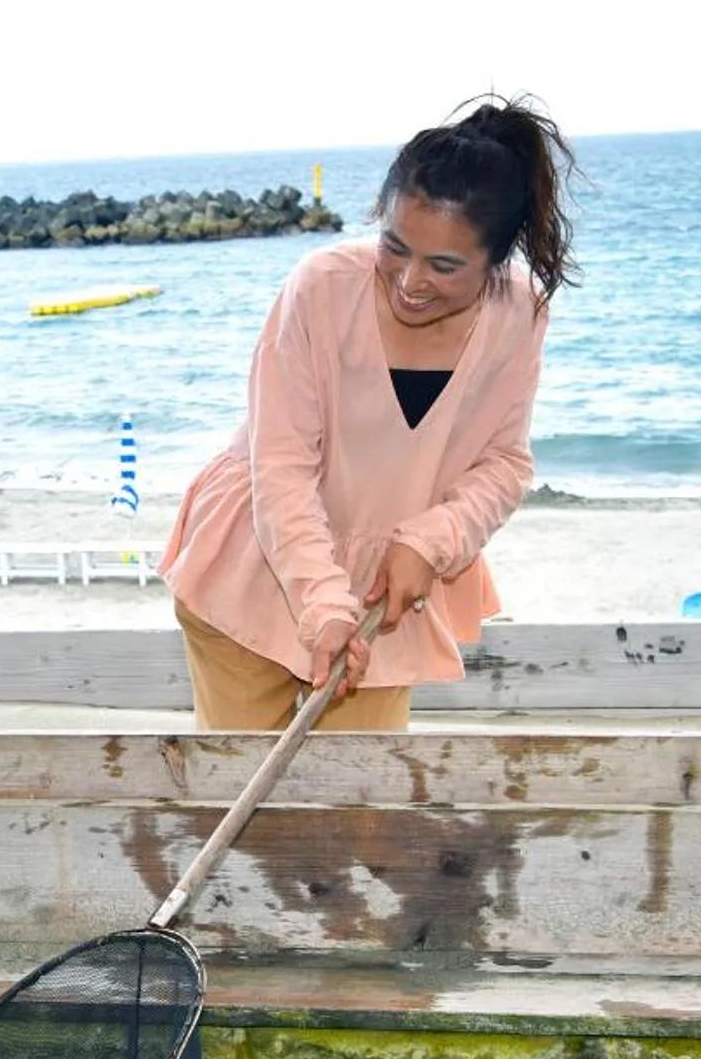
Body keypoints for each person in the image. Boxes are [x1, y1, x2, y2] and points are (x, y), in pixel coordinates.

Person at [160, 99, 577, 731]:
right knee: (239, 792)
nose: (411, 281)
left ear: (496, 261)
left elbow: (503, 463)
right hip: (257, 560)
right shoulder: (322, 286)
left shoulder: (520, 313)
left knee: (360, 813)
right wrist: (324, 605)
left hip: (387, 592)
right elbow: (280, 465)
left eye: (444, 266)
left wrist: (429, 542)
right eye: (395, 247)